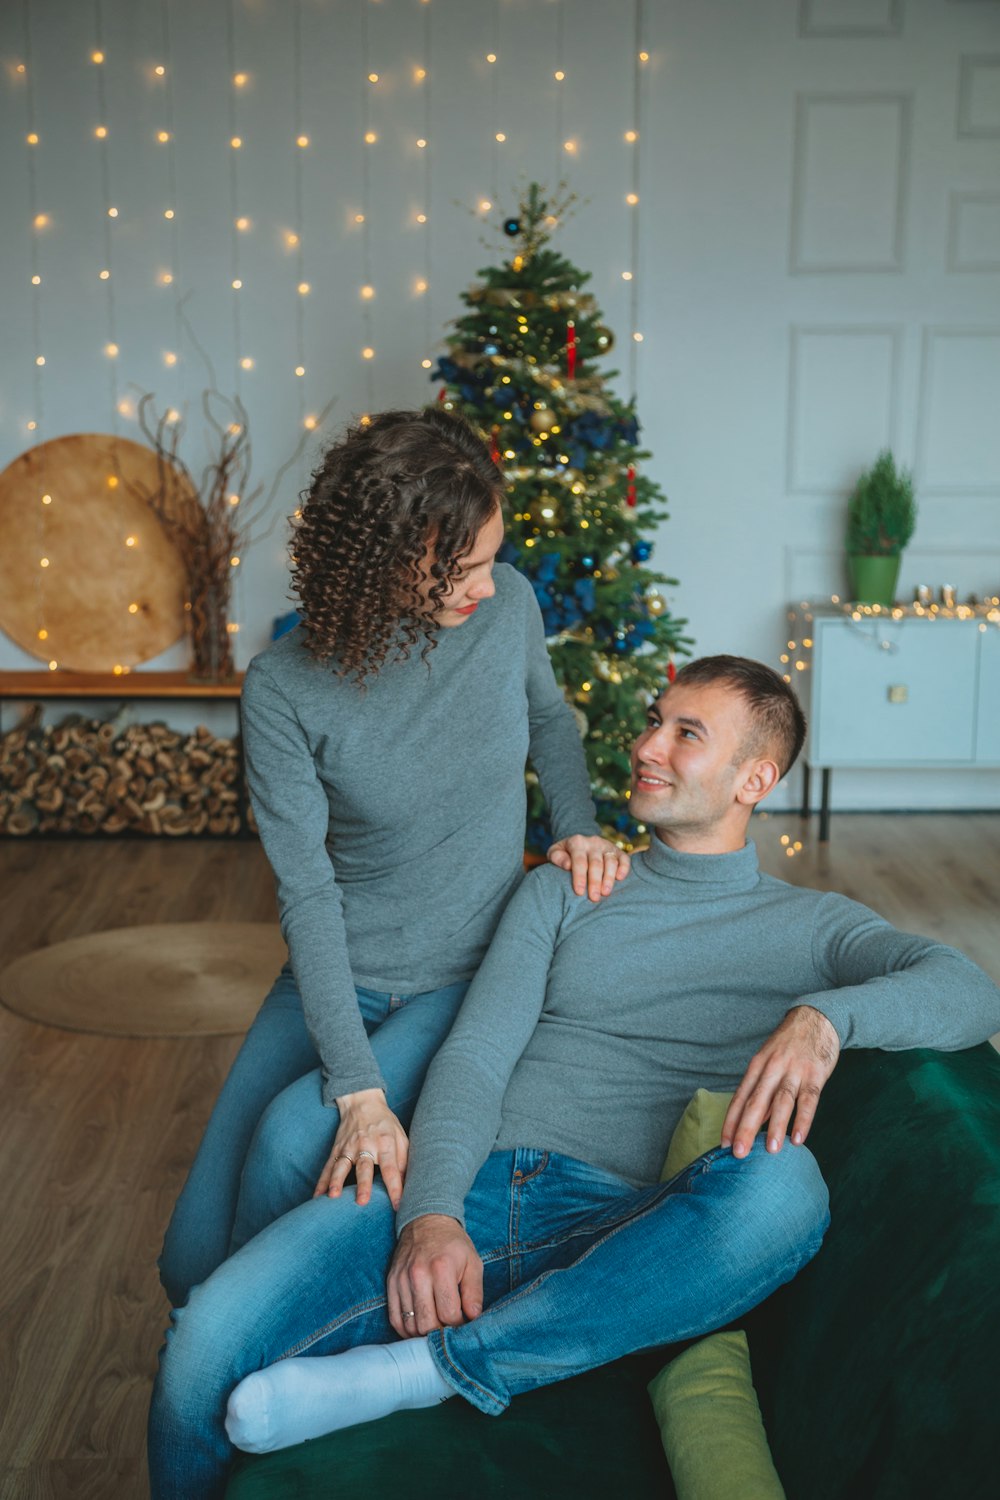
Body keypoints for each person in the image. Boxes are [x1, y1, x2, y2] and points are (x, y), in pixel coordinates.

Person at [148, 657, 1000, 1499]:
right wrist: (433, 1215)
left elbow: (969, 990)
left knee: (784, 1190)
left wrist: (824, 1020)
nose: (648, 745)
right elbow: (476, 1057)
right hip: (474, 1190)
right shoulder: (570, 887)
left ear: (756, 776)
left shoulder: (815, 927)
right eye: (654, 720)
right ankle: (454, 1348)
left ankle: (433, 1372)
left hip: (625, 1225)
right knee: (199, 1350)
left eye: (686, 733)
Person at [158, 408, 629, 1308]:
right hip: (339, 968)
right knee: (187, 1253)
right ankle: (218, 1345)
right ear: (375, 562)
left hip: (465, 968)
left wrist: (575, 823)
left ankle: (251, 1343)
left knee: (294, 1139)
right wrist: (358, 1083)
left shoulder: (510, 608)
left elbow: (549, 718)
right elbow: (307, 892)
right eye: (462, 568)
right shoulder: (285, 690)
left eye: (492, 555)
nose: (487, 587)